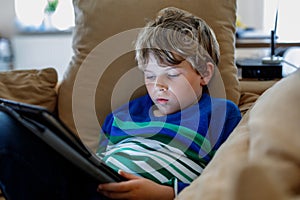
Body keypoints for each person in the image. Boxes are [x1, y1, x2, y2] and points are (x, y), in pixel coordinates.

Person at [0, 7, 241, 200]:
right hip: (93, 189)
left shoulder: (220, 113)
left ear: (204, 74)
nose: (159, 86)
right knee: (6, 128)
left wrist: (166, 194)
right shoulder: (121, 115)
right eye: (149, 75)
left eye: (172, 74)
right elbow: (96, 164)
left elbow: (228, 180)